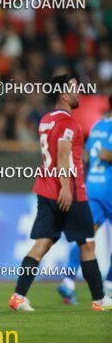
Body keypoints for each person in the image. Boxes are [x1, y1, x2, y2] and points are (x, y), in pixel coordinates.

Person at [9, 74, 112, 312]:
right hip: (69, 193)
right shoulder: (69, 123)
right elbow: (63, 154)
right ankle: (99, 299)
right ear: (64, 95)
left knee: (42, 244)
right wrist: (66, 186)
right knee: (86, 244)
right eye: (75, 88)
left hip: (45, 190)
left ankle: (18, 296)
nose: (79, 93)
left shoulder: (45, 119)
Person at [57, 96, 112, 304]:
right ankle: (109, 285)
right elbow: (107, 154)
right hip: (109, 188)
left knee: (85, 237)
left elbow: (87, 156)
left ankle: (68, 282)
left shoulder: (98, 125)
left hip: (94, 187)